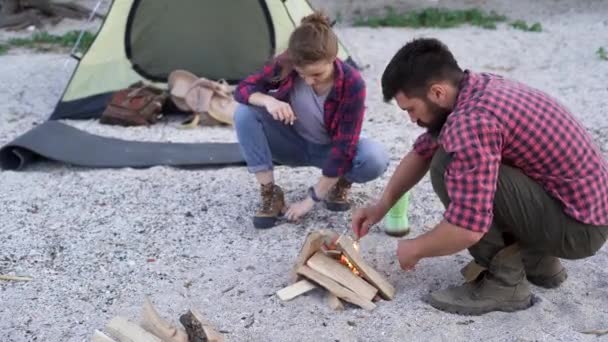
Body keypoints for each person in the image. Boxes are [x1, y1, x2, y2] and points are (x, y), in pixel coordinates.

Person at [352, 37, 608, 315]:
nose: (411, 120)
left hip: (578, 229)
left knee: (446, 167)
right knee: (445, 157)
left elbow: (468, 227)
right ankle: (538, 262)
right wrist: (381, 205)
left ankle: (506, 284)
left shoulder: (471, 122)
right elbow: (422, 152)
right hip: (581, 212)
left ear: (437, 92)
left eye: (411, 109)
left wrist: (416, 248)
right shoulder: (475, 87)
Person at [233, 12, 389, 229]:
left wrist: (310, 201)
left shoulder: (352, 83)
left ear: (333, 59)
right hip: (291, 144)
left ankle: (340, 183)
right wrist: (269, 101)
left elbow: (345, 147)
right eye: (302, 73)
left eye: (316, 74)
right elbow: (243, 89)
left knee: (375, 158)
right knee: (244, 112)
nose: (308, 81)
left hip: (329, 151)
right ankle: (270, 194)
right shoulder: (287, 62)